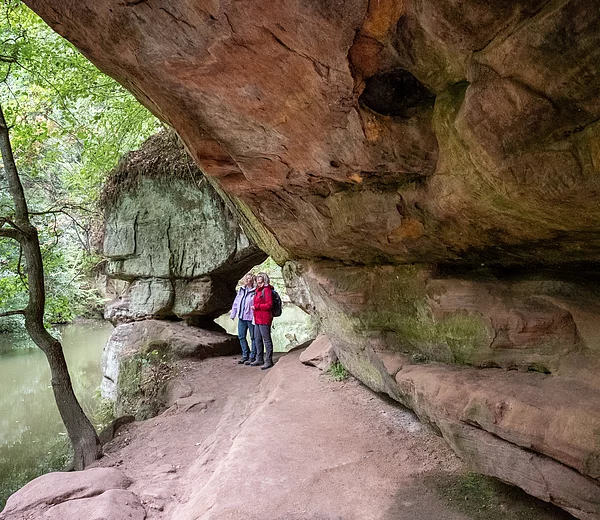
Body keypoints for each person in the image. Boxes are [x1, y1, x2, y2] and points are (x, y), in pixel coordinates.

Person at [230, 273, 256, 364]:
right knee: (241, 336)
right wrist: (233, 314)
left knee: (253, 337)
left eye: (249, 279)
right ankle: (245, 355)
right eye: (246, 278)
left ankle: (253, 356)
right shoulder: (241, 290)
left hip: (251, 317)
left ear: (253, 280)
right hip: (241, 317)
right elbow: (236, 303)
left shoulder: (255, 291)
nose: (247, 280)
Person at [250, 272, 274, 370]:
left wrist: (257, 306)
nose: (258, 279)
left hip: (264, 318)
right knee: (257, 338)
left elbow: (269, 305)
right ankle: (259, 358)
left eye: (260, 278)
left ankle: (268, 360)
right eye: (257, 278)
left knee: (266, 339)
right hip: (257, 319)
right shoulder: (257, 290)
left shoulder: (267, 290)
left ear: (264, 279)